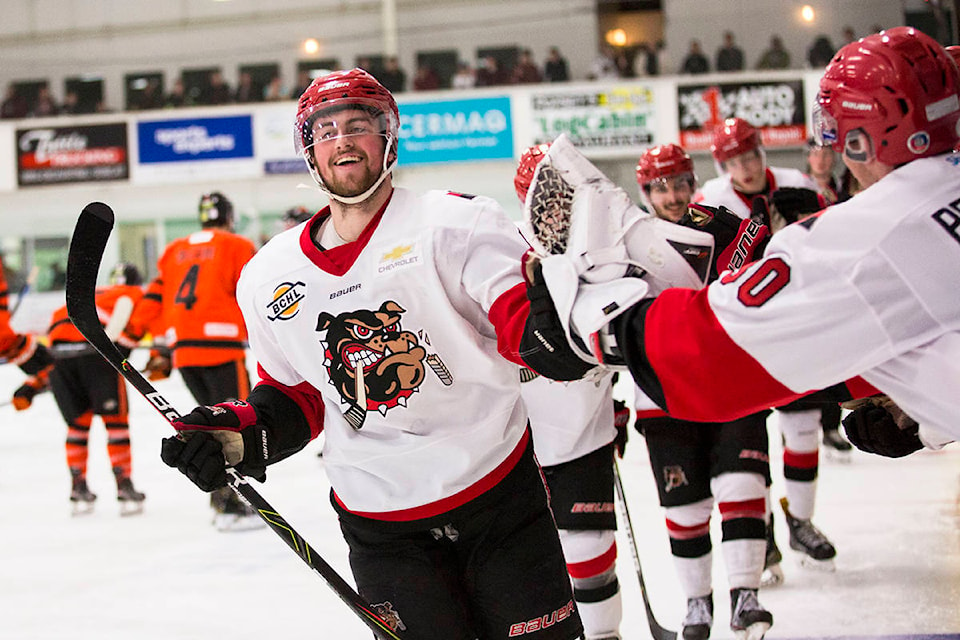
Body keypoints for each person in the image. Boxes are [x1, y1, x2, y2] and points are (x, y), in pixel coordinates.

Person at [158, 68, 587, 639]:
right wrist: (238, 436)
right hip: (381, 527)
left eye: (358, 125)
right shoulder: (268, 276)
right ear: (310, 152)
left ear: (388, 138)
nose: (342, 140)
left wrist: (559, 332)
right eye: (326, 129)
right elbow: (297, 395)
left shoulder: (457, 223)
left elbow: (523, 328)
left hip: (498, 500)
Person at [532, 26, 960, 486]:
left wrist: (602, 326)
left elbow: (713, 357)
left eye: (835, 132)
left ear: (861, 140)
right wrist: (925, 417)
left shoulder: (857, 240)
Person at [634, 144, 774, 640]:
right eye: (660, 187)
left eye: (679, 184)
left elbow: (765, 271)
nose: (672, 196)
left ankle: (745, 594)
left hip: (731, 384)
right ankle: (697, 603)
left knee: (742, 485)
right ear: (645, 191)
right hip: (662, 396)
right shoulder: (629, 242)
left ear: (693, 184)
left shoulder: (726, 228)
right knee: (683, 507)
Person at [695, 117, 838, 583]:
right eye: (735, 161)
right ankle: (769, 531)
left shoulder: (796, 184)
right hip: (738, 342)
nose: (746, 167)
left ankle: (800, 521)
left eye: (751, 155)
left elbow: (831, 251)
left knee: (803, 427)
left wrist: (818, 218)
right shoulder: (710, 202)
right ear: (723, 164)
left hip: (793, 330)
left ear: (761, 151)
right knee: (749, 447)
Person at [515, 143, 628, 640]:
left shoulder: (607, 249)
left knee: (589, 549)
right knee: (534, 565)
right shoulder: (503, 252)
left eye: (566, 197)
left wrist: (622, 399)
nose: (558, 209)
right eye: (547, 199)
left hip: (587, 433)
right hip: (521, 443)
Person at [128, 191, 260, 532]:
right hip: (221, 346)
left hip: (184, 349)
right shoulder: (238, 245)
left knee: (208, 422)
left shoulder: (175, 250)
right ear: (229, 216)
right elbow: (255, 291)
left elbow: (155, 297)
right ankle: (233, 501)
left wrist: (133, 338)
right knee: (234, 424)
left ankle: (220, 499)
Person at [16, 263, 147, 515]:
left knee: (78, 424)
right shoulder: (131, 292)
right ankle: (124, 485)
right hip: (94, 352)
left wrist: (32, 384)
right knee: (115, 422)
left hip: (59, 357)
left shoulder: (94, 292)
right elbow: (127, 326)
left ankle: (78, 486)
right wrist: (125, 350)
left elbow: (56, 349)